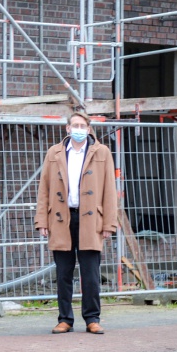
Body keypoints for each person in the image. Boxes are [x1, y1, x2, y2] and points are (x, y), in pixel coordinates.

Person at [35, 111, 117, 335]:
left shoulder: (102, 152)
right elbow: (44, 188)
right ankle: (65, 318)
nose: (79, 129)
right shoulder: (54, 153)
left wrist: (109, 223)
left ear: (89, 128)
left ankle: (92, 318)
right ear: (67, 128)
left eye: (83, 125)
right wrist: (42, 219)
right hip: (62, 218)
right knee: (63, 273)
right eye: (75, 125)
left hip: (91, 220)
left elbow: (110, 189)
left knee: (90, 273)